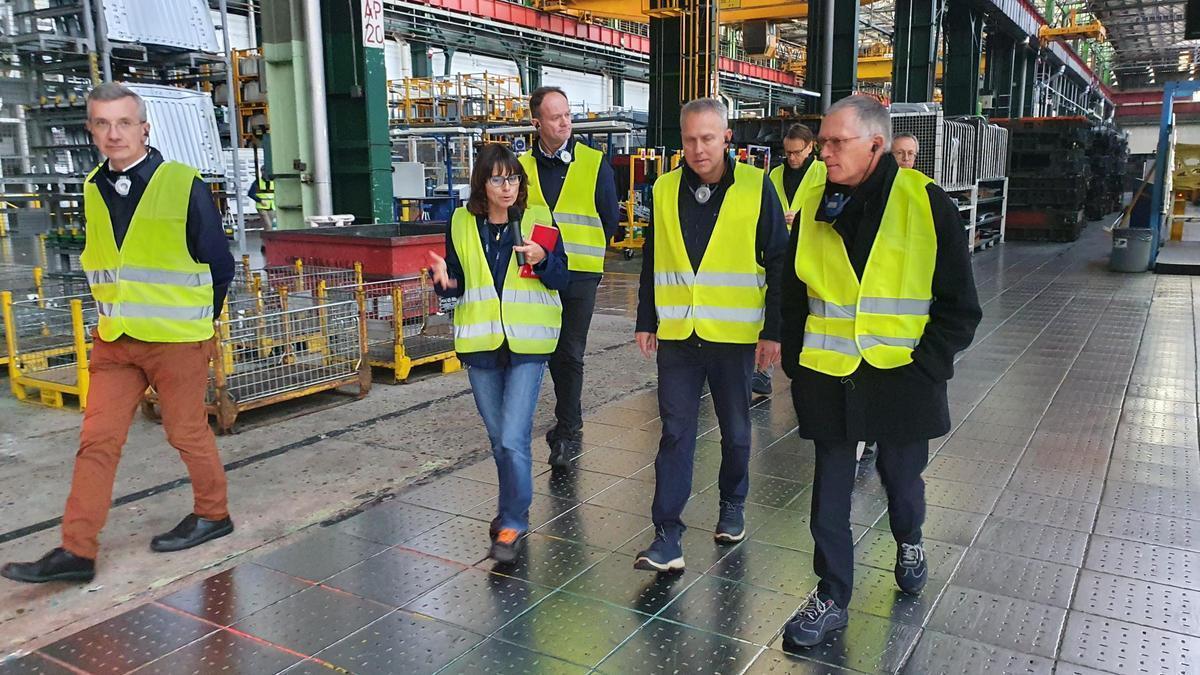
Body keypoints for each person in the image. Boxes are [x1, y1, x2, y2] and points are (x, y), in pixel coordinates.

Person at [2, 83, 236, 584]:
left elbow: (220, 265)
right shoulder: (91, 187)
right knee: (96, 440)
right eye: (103, 124)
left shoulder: (182, 183)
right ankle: (76, 551)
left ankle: (213, 514)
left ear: (144, 127)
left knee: (185, 431)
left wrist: (200, 325)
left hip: (177, 341)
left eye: (124, 123)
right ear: (91, 130)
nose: (114, 134)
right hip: (116, 339)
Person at [778, 95, 981, 647]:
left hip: (903, 376)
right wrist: (797, 363)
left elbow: (960, 304)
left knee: (901, 477)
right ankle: (832, 595)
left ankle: (909, 537)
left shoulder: (926, 203)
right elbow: (794, 291)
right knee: (830, 493)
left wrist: (927, 367)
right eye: (822, 142)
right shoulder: (817, 199)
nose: (824, 152)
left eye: (835, 143)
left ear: (875, 144)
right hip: (830, 372)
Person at [631, 98, 788, 572]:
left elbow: (780, 262)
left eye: (708, 138)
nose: (698, 149)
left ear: (726, 138)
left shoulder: (757, 188)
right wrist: (646, 317)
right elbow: (654, 256)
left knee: (737, 431)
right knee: (676, 432)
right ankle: (667, 535)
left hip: (734, 335)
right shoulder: (663, 189)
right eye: (690, 139)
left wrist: (773, 331)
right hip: (678, 333)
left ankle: (732, 504)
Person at [428, 144, 568, 563]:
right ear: (482, 184)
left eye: (514, 178)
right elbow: (456, 280)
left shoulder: (538, 219)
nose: (508, 187)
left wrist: (544, 258)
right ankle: (509, 512)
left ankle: (512, 522)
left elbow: (562, 276)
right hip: (482, 346)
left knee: (512, 437)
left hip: (529, 344)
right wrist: (443, 281)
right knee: (499, 440)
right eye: (498, 179)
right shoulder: (460, 222)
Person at [518, 86, 620, 470]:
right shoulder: (521, 167)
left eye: (567, 114)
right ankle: (560, 423)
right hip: (535, 272)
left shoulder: (595, 163)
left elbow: (609, 218)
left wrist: (583, 250)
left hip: (579, 273)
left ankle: (569, 430)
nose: (565, 122)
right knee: (540, 349)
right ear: (537, 123)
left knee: (569, 350)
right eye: (555, 116)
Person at [754, 123, 818, 396]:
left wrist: (802, 217)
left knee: (808, 315)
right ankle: (763, 372)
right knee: (775, 310)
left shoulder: (823, 173)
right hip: (781, 254)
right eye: (788, 153)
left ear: (811, 147)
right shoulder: (775, 175)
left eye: (797, 152)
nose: (792, 158)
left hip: (812, 255)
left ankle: (807, 372)